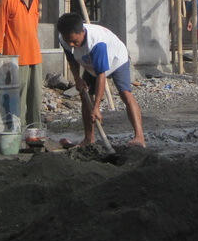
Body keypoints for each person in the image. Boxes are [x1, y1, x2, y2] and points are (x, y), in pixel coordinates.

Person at [57, 13, 145, 147]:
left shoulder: (97, 43)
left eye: (74, 41)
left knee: (125, 93)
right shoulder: (64, 39)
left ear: (82, 32)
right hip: (90, 62)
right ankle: (89, 139)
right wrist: (77, 79)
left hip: (116, 59)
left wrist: (97, 107)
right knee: (85, 95)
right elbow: (71, 59)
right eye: (68, 41)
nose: (71, 44)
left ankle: (139, 137)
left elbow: (101, 75)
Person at [0, 0, 42, 127]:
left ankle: (35, 129)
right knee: (19, 95)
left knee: (36, 95)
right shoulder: (7, 0)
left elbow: (34, 23)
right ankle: (18, 130)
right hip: (16, 55)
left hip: (34, 53)